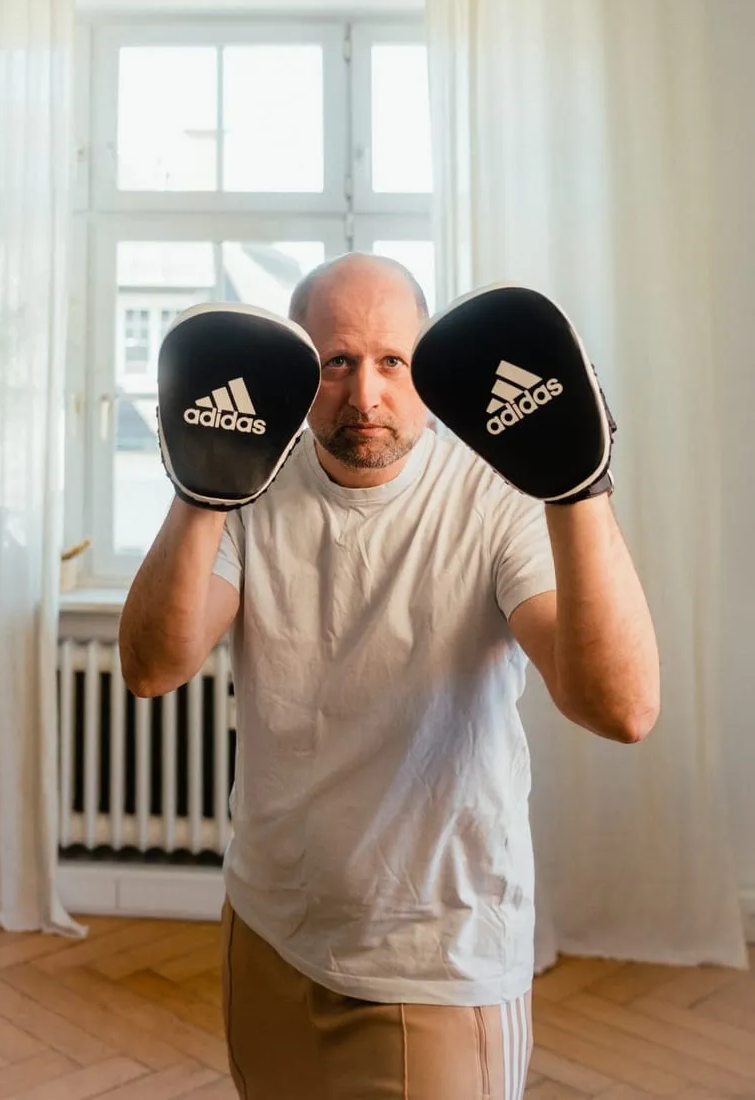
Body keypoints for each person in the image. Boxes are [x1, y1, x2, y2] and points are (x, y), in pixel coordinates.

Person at [119, 253, 660, 1100]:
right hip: (269, 926)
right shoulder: (251, 491)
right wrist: (200, 489)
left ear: (429, 371)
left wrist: (578, 488)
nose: (364, 395)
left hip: (436, 962)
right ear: (300, 373)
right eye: (336, 362)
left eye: (392, 361)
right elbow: (154, 667)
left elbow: (620, 707)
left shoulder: (495, 496)